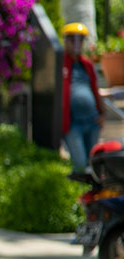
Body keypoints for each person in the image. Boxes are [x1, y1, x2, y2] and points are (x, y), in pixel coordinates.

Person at [62, 22, 104, 174]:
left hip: (92, 121)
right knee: (79, 165)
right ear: (65, 41)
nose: (77, 43)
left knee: (93, 163)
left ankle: (93, 196)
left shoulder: (87, 64)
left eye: (81, 39)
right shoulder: (61, 63)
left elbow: (95, 90)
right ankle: (78, 195)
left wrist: (102, 113)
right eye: (73, 39)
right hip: (73, 124)